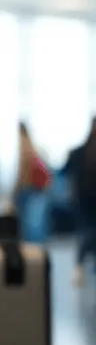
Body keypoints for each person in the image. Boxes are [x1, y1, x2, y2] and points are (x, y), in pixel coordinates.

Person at [65, 117, 96, 285]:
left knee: (85, 234)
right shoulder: (81, 152)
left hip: (82, 201)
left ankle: (79, 267)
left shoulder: (79, 152)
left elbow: (67, 172)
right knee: (89, 234)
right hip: (87, 201)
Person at [15, 122, 51, 242]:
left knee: (31, 228)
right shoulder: (32, 147)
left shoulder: (23, 147)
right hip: (36, 190)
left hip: (30, 190)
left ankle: (35, 255)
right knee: (35, 226)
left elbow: (23, 173)